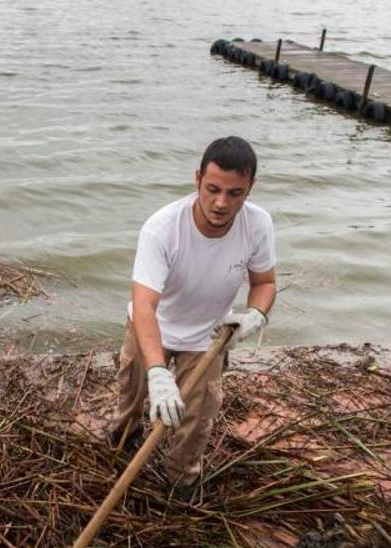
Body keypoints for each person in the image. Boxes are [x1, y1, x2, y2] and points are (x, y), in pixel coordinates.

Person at [110, 135, 277, 497]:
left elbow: (264, 282)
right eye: (213, 189)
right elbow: (143, 306)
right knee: (131, 396)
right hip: (150, 327)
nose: (221, 203)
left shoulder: (258, 224)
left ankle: (181, 479)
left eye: (235, 193)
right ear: (197, 178)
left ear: (250, 188)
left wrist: (254, 316)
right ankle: (123, 440)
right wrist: (156, 372)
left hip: (208, 336)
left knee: (197, 417)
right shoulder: (163, 228)